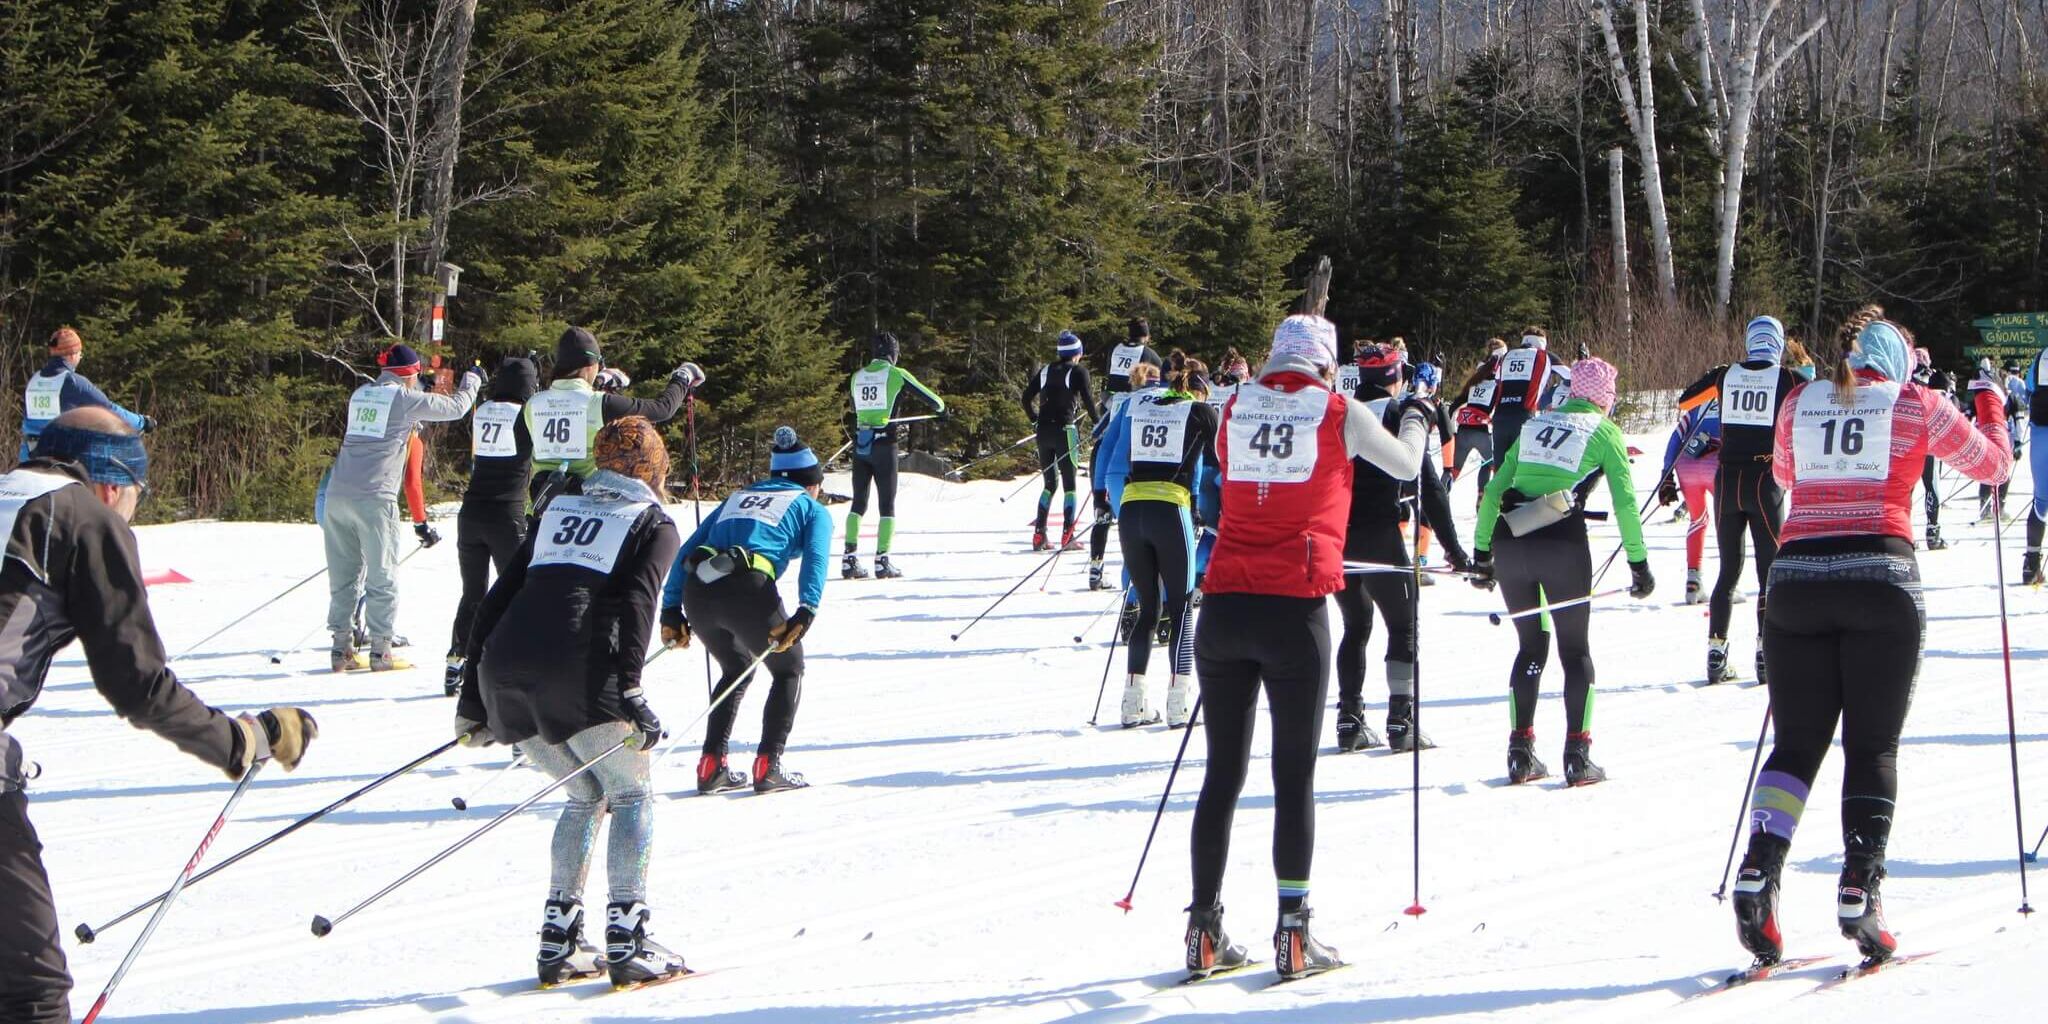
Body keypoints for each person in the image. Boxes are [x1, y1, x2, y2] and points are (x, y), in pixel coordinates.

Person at [0, 408, 316, 1024]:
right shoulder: (82, 515)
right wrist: (240, 739)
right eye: (135, 499)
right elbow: (137, 683)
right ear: (112, 484)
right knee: (29, 988)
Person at [1730, 307, 2011, 972]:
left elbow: (1786, 478)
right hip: (1881, 577)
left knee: (1796, 743)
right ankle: (1861, 887)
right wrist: (1991, 404)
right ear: (1900, 363)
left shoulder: (1801, 398)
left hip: (1796, 582)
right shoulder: (1916, 401)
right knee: (1871, 744)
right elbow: (1993, 468)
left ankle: (1759, 869)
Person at [1184, 313, 1425, 983]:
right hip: (1294, 609)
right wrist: (1420, 417)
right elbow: (1404, 467)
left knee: (1221, 775)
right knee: (1293, 777)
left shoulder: (1233, 405)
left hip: (1226, 604)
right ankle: (1293, 932)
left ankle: (1203, 928)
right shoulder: (1337, 408)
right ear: (1325, 362)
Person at [456, 416, 684, 988]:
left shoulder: (555, 509)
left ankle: (559, 942)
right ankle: (628, 940)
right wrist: (631, 688)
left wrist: (472, 698)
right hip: (577, 674)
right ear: (653, 467)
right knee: (631, 793)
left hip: (502, 670)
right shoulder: (652, 521)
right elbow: (638, 604)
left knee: (585, 794)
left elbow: (497, 596)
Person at [1471, 356, 1652, 786]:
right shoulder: (1605, 431)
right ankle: (1578, 754)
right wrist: (1638, 563)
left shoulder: (1536, 423)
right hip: (1561, 544)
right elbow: (1626, 503)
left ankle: (1520, 751)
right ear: (1605, 397)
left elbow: (1495, 488)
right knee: (1575, 653)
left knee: (1531, 648)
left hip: (1510, 539)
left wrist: (1481, 555)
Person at [661, 427, 833, 795]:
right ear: (811, 483)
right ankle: (768, 765)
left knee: (736, 668)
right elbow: (815, 556)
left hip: (698, 591)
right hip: (748, 588)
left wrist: (671, 609)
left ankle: (711, 766)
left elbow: (688, 548)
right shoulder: (810, 507)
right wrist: (807, 609)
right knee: (789, 670)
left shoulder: (738, 497)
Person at [323, 344, 480, 672]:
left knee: (344, 575)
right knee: (382, 575)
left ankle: (341, 650)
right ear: (410, 374)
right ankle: (381, 652)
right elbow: (456, 407)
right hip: (374, 498)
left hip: (337, 496)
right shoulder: (404, 398)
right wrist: (472, 380)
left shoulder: (361, 394)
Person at [1331, 345, 1445, 753]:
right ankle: (1401, 719)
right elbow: (1428, 486)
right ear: (1396, 376)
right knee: (1403, 624)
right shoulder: (1398, 412)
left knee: (1355, 626)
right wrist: (1455, 550)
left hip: (1340, 535)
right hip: (1379, 533)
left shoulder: (1339, 409)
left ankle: (1349, 718)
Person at [1093, 355, 1218, 728]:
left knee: (1148, 608)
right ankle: (1179, 700)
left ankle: (1133, 703)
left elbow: (1107, 443)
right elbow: (1220, 459)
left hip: (1132, 507)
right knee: (1181, 607)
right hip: (1170, 509)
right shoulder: (1198, 410)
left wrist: (1101, 490)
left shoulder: (1139, 403)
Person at [1675, 316, 1800, 684]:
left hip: (1727, 479)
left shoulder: (1726, 374)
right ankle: (1766, 655)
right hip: (1766, 481)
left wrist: (1718, 376)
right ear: (1778, 344)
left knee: (1728, 571)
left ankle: (1716, 654)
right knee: (1768, 574)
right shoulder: (1789, 379)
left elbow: (1685, 402)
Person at [445, 356, 540, 695]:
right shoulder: (526, 416)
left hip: (471, 512)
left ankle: (456, 660)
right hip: (506, 514)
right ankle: (514, 662)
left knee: (473, 591)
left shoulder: (484, 409)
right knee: (516, 592)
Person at [527, 327, 705, 504]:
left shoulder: (533, 403)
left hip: (539, 507)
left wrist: (600, 382)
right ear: (590, 366)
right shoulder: (599, 403)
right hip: (582, 510)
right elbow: (662, 408)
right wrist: (682, 378)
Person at [844, 332, 944, 580]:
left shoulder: (857, 377)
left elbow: (856, 408)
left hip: (861, 445)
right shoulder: (896, 374)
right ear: (893, 353)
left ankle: (849, 559)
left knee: (858, 503)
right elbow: (934, 401)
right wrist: (943, 411)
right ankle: (882, 560)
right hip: (884, 445)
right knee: (886, 504)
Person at [1087, 320, 1166, 580]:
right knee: (1131, 529)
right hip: (1129, 453)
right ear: (1146, 336)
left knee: (1102, 513)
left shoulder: (1117, 348)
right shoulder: (1150, 357)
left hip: (1108, 422)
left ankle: (1096, 568)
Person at [1094, 362, 1164, 637]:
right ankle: (1162, 609)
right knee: (1160, 545)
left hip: (1116, 475)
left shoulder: (1126, 403)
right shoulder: (1168, 400)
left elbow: (1105, 444)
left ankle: (1131, 606)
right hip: (1147, 475)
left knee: (1133, 547)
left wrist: (1099, 491)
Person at [1020, 331, 1102, 553]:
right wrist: (1100, 426)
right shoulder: (1078, 372)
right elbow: (1089, 403)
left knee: (1049, 484)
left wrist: (1034, 420)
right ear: (1078, 353)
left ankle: (1039, 535)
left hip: (1043, 432)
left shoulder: (1046, 370)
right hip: (1065, 431)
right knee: (1070, 486)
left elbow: (1026, 398)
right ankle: (1068, 535)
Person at [17, 327, 153, 461]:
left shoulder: (34, 380)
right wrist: (142, 422)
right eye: (80, 354)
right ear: (72, 354)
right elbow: (109, 410)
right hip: (59, 457)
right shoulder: (74, 382)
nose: (80, 358)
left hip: (28, 456)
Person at [1656, 399, 1723, 603]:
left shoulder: (1697, 406)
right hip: (1717, 463)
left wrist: (1666, 475)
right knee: (1728, 522)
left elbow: (1675, 438)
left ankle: (1693, 582)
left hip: (1686, 464)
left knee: (1698, 521)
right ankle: (1728, 586)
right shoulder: (1733, 401)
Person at [1485, 328, 1559, 472]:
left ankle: (1495, 495)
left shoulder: (1507, 355)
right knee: (1520, 471)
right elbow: (1570, 375)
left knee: (1500, 471)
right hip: (1523, 417)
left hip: (1500, 417)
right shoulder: (1543, 355)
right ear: (1542, 343)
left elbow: (1496, 379)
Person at [1446, 341, 1507, 503]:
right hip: (1482, 433)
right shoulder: (1500, 381)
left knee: (1451, 474)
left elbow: (1452, 407)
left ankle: (1435, 503)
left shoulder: (1476, 378)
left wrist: (1452, 432)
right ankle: (1486, 502)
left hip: (1463, 431)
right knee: (1496, 469)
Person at [1909, 348, 1957, 549]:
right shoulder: (1936, 377)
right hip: (1929, 441)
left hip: (1908, 441)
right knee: (1931, 484)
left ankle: (1907, 534)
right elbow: (1949, 405)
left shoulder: (1903, 377)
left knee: (1906, 489)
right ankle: (1933, 532)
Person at [2022, 340, 2048, 584]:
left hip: (2041, 434)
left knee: (2041, 501)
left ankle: (2031, 565)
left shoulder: (2041, 356)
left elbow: (2028, 389)